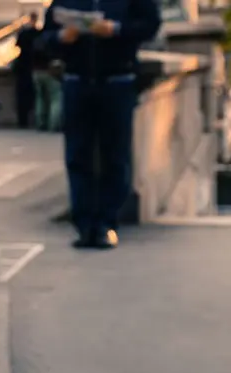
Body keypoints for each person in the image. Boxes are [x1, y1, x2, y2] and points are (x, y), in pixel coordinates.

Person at [41, 0, 161, 249]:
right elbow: (45, 38)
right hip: (77, 80)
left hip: (117, 79)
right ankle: (85, 226)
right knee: (77, 156)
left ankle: (107, 222)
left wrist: (116, 29)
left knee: (116, 157)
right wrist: (63, 36)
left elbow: (151, 24)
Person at [14, 12, 40, 128]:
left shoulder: (23, 33)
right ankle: (36, 121)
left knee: (22, 96)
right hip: (34, 66)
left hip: (22, 67)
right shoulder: (37, 34)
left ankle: (22, 121)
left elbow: (17, 46)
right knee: (35, 96)